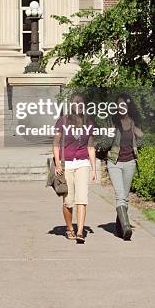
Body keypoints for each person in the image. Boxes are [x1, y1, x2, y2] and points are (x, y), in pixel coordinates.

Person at [53, 93, 97, 244]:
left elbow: (91, 147)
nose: (78, 106)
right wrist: (58, 163)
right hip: (67, 164)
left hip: (82, 163)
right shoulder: (63, 121)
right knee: (68, 201)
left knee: (82, 199)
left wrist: (93, 168)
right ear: (71, 105)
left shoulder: (89, 122)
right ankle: (69, 227)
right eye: (75, 103)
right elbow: (56, 144)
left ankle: (80, 232)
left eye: (81, 103)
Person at [106, 92, 143, 240]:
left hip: (130, 162)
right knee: (120, 195)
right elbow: (105, 141)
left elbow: (142, 137)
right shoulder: (112, 121)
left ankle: (119, 227)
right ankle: (127, 226)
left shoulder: (134, 121)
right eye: (118, 104)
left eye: (124, 104)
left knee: (125, 197)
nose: (121, 107)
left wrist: (137, 132)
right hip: (114, 162)